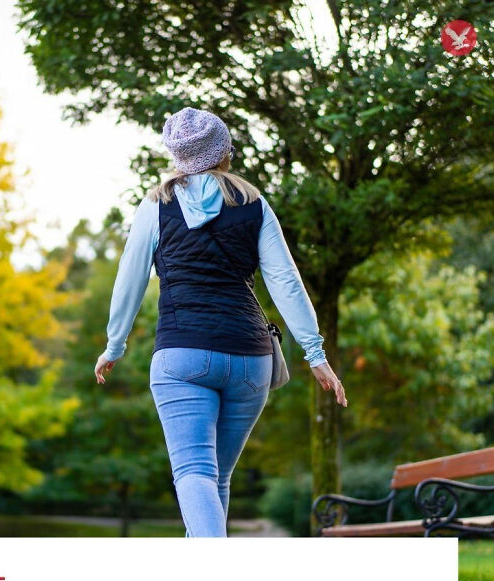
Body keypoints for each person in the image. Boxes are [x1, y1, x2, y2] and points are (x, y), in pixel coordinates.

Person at [94, 107, 347, 537]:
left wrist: (114, 345)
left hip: (182, 357)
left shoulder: (156, 205)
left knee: (194, 472)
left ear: (178, 157)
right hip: (250, 360)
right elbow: (285, 280)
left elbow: (129, 279)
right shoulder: (253, 203)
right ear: (225, 151)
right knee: (216, 479)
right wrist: (315, 353)